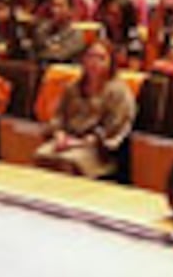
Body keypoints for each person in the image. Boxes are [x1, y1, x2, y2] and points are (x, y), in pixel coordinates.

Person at [35, 42, 134, 179]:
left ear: (111, 62)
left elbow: (115, 127)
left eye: (101, 58)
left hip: (97, 149)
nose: (94, 62)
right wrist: (60, 134)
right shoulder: (72, 87)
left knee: (69, 161)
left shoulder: (119, 92)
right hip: (68, 140)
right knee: (42, 155)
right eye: (90, 57)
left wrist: (81, 142)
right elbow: (59, 116)